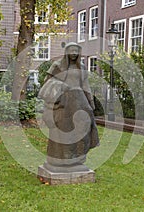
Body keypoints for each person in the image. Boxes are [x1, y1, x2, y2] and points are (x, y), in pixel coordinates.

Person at [39, 42, 99, 172]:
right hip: (63, 103)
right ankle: (60, 159)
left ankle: (77, 159)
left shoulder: (82, 67)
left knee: (82, 128)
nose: (74, 53)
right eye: (71, 50)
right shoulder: (57, 65)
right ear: (66, 51)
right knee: (63, 129)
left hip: (80, 101)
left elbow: (85, 85)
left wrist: (90, 102)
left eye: (76, 51)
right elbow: (47, 82)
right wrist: (61, 86)